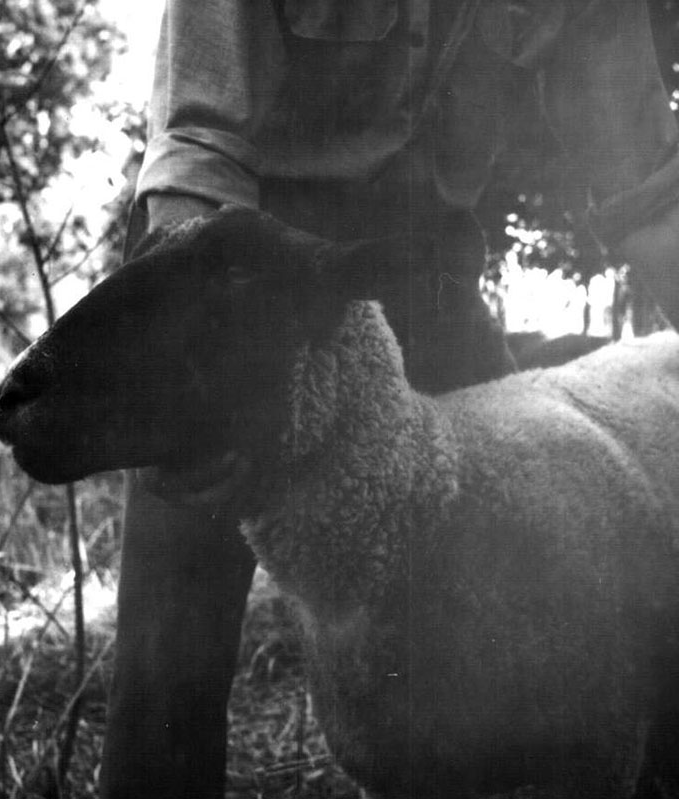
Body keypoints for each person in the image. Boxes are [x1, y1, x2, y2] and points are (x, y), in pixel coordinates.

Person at [101, 2, 679, 797]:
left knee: (528, 610)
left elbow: (647, 182)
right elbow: (198, 144)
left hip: (431, 288)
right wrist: (189, 370)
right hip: (245, 303)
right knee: (169, 666)